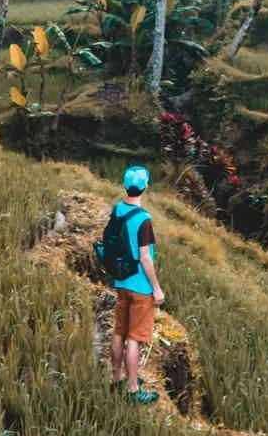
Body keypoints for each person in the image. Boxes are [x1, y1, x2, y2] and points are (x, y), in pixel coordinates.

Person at [108, 164, 164, 405]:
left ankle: (116, 379)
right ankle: (132, 390)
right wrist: (157, 288)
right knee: (135, 339)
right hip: (140, 286)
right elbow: (145, 257)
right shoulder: (144, 220)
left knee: (119, 331)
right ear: (145, 187)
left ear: (124, 186)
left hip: (121, 281)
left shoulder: (117, 209)